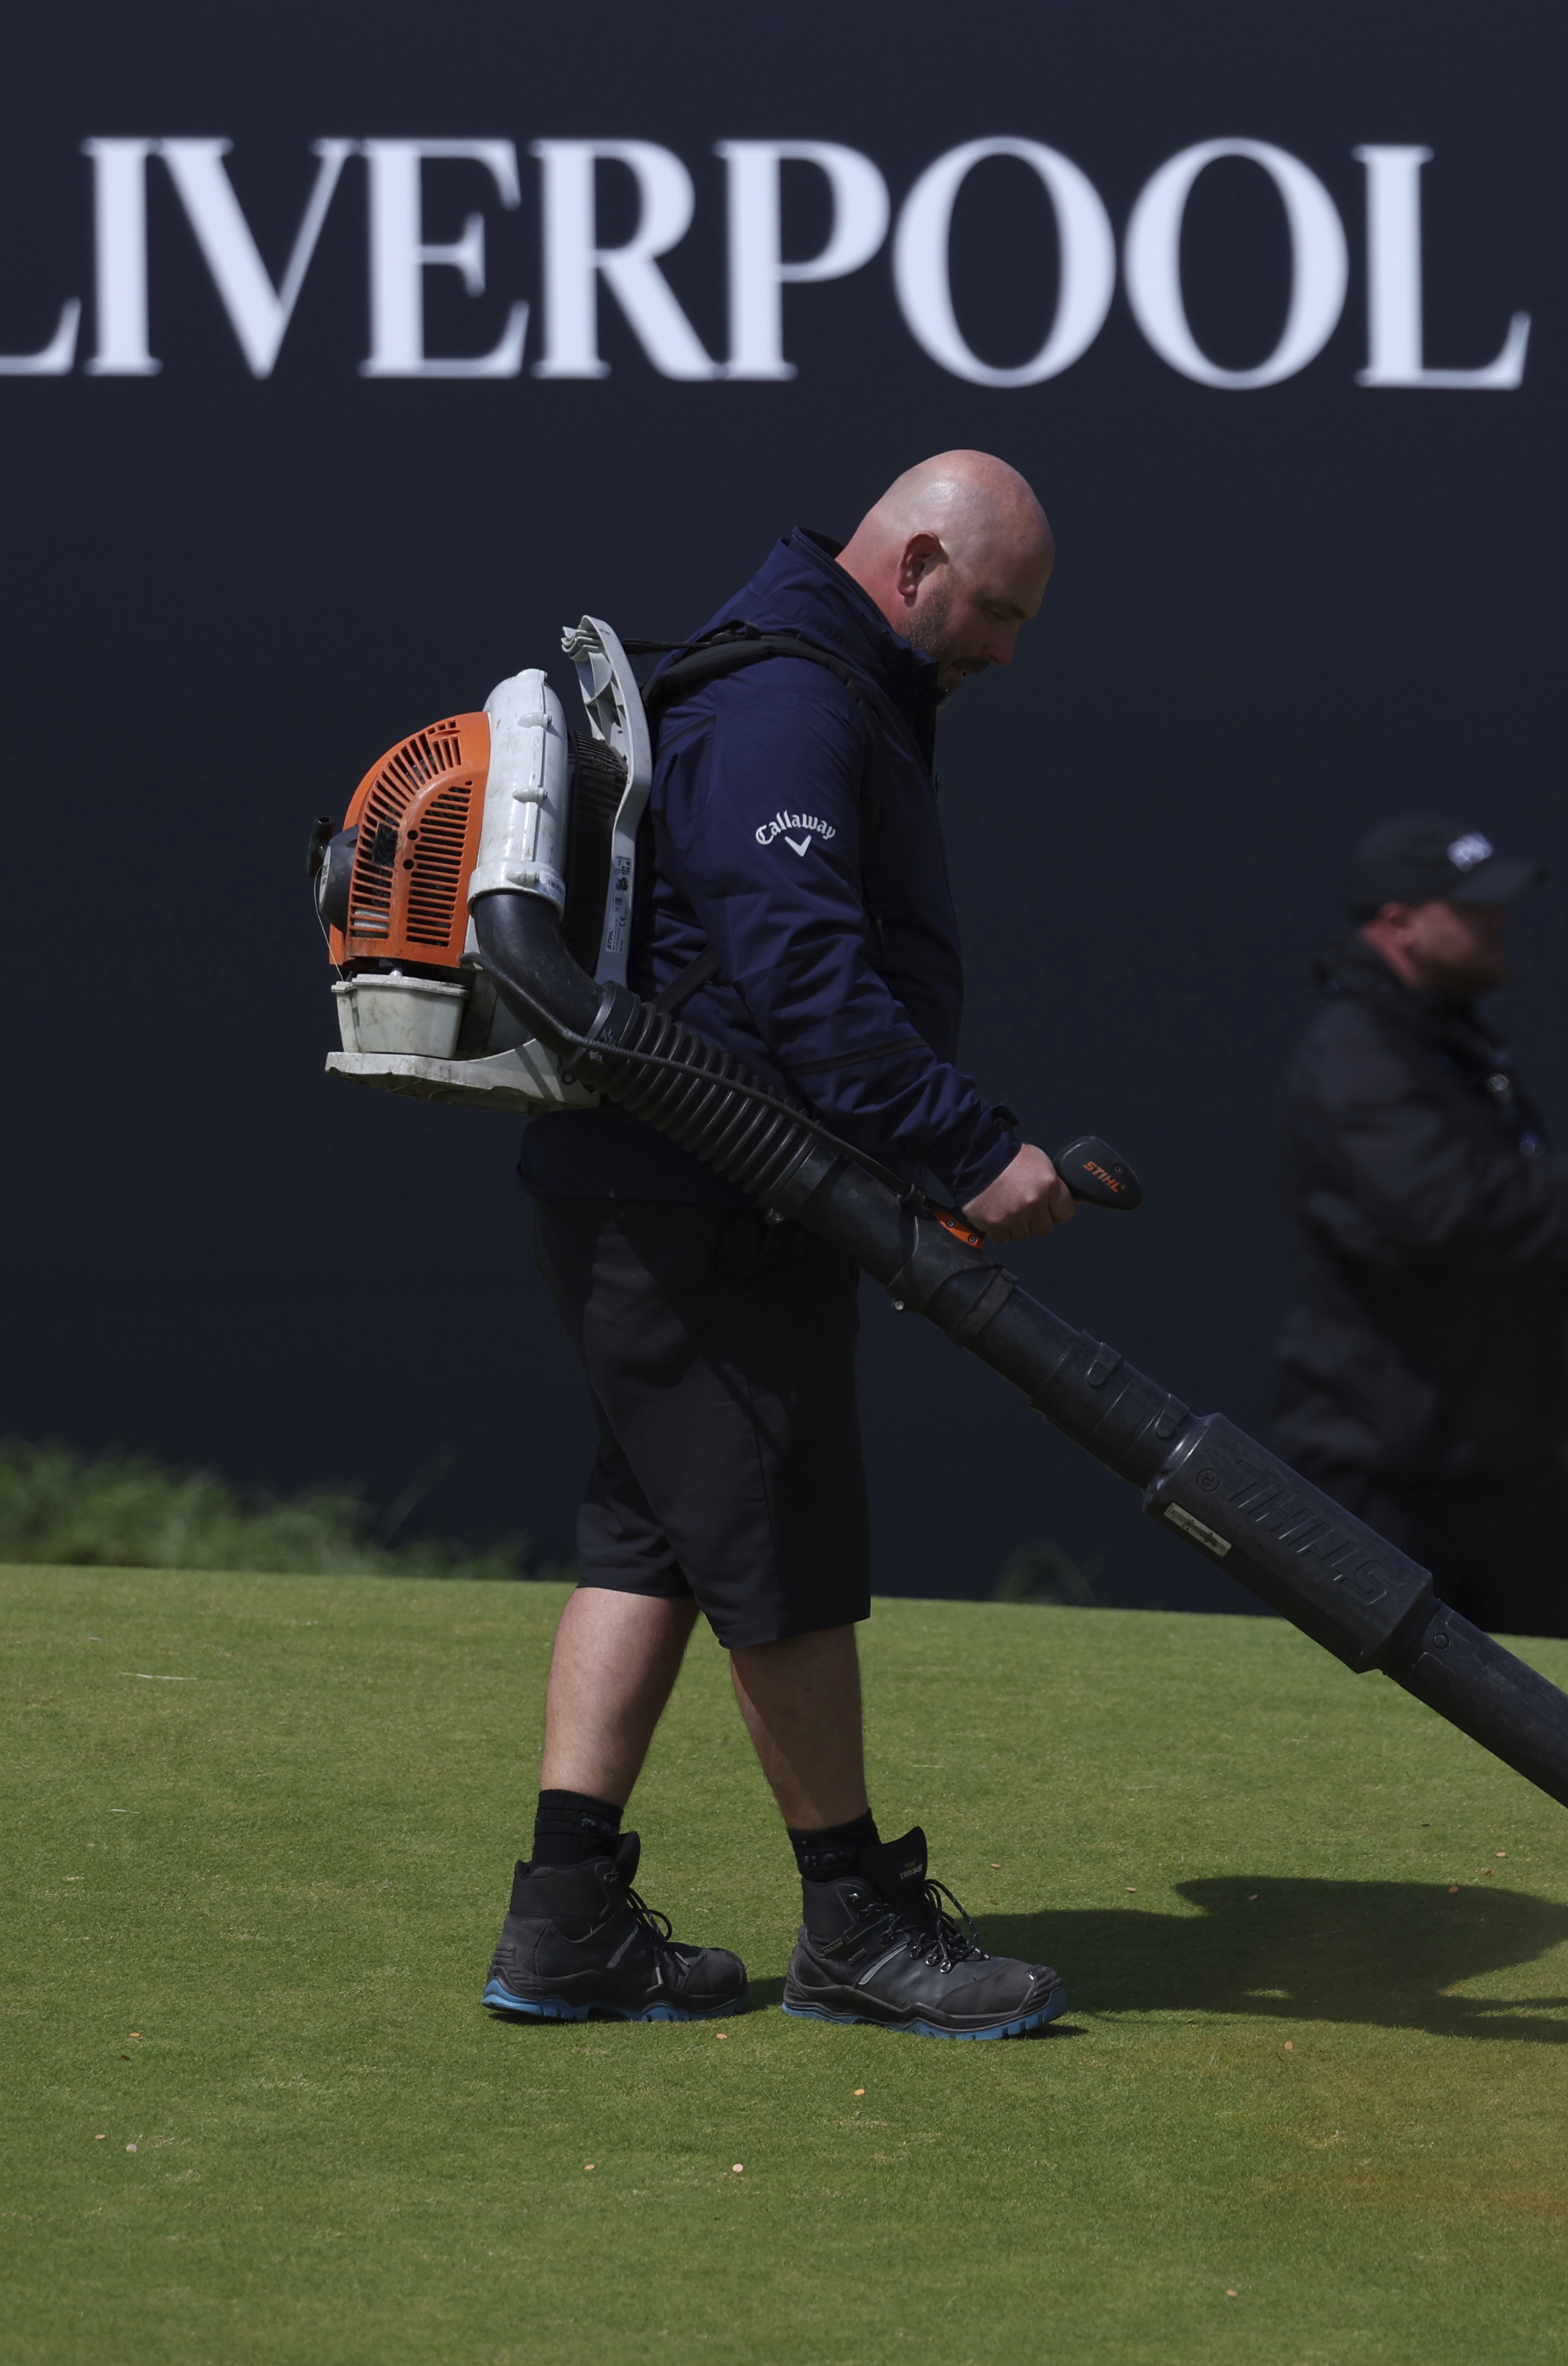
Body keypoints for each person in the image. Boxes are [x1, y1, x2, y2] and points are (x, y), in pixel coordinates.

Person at [483, 453, 1079, 2036]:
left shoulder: (801, 677)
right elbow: (803, 975)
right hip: (707, 1205)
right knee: (782, 1542)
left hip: (653, 1193)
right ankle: (858, 1924)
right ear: (918, 564)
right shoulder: (790, 704)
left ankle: (564, 1926)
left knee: (653, 1537)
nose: (1007, 650)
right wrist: (969, 1150)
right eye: (998, 610)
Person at [1271, 818, 1568, 1640]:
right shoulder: (1357, 1058)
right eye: (1470, 907)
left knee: (1563, 1744)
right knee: (1369, 1748)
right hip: (1386, 1488)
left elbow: (1476, 1250)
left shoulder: (1452, 1047)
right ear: (1398, 924)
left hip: (1508, 1479)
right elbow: (1450, 1216)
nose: (1498, 920)